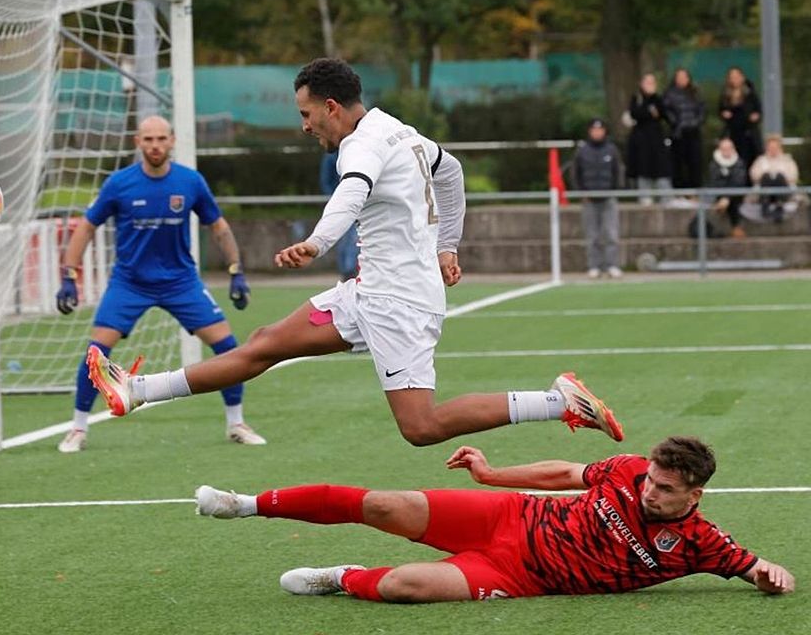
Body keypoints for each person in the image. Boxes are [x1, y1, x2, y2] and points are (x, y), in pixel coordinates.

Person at [85, 58, 623, 447]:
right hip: (374, 293)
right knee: (266, 342)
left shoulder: (360, 145)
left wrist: (317, 242)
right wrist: (447, 243)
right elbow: (452, 171)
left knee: (421, 428)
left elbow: (352, 192)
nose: (304, 125)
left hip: (399, 305)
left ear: (332, 107)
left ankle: (558, 402)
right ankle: (136, 389)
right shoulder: (397, 129)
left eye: (306, 113)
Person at [195, 436, 795, 602]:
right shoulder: (629, 469)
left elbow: (758, 569)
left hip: (518, 575)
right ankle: (242, 503)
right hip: (508, 515)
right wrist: (490, 473)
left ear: (693, 495)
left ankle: (341, 577)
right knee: (384, 504)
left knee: (406, 585)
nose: (648, 492)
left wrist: (771, 574)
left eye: (664, 490)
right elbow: (563, 475)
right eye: (648, 481)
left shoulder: (701, 543)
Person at [55, 115, 266, 453]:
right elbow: (86, 227)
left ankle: (236, 422)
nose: (155, 145)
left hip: (181, 282)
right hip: (130, 283)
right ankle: (77, 428)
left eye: (161, 139)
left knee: (229, 348)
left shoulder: (190, 182)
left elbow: (219, 227)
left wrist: (235, 270)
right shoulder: (119, 183)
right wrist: (69, 274)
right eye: (148, 139)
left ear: (172, 141)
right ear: (137, 141)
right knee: (96, 353)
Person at [572, 118, 623, 279]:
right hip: (589, 199)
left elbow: (618, 171)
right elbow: (575, 173)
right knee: (592, 235)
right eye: (594, 130)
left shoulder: (611, 149)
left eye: (600, 130)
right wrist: (581, 192)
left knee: (611, 234)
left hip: (608, 198)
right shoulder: (582, 151)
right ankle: (594, 266)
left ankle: (612, 265)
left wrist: (615, 190)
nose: (597, 133)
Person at [626, 73, 672, 206]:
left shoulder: (658, 98)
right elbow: (635, 113)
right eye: (647, 82)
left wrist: (652, 111)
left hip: (656, 138)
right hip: (641, 139)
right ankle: (645, 196)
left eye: (652, 82)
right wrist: (650, 112)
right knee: (643, 166)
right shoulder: (637, 98)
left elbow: (663, 114)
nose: (650, 85)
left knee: (661, 167)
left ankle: (665, 196)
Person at [663, 68, 705, 195]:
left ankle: (696, 190)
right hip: (678, 133)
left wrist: (697, 122)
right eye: (679, 77)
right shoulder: (669, 94)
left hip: (693, 131)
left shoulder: (696, 93)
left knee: (695, 162)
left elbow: (702, 110)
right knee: (678, 163)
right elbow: (666, 110)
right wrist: (675, 122)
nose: (682, 80)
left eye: (684, 77)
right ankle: (679, 191)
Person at [320, 151, 359, 280]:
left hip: (355, 203)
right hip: (341, 204)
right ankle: (347, 270)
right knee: (345, 238)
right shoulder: (332, 156)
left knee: (352, 238)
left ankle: (349, 269)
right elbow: (326, 181)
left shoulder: (355, 152)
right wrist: (337, 200)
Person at [719, 67, 763, 169]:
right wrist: (724, 114)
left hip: (749, 132)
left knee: (752, 159)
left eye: (737, 77)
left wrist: (755, 116)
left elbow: (758, 110)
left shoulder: (750, 92)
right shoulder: (725, 94)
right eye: (732, 77)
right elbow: (721, 110)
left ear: (742, 77)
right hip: (733, 132)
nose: (734, 79)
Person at [748, 134, 799, 223]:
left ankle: (779, 204)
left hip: (783, 190)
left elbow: (793, 176)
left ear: (779, 147)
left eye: (775, 147)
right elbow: (754, 175)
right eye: (771, 147)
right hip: (764, 190)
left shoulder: (787, 160)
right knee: (766, 176)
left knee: (779, 177)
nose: (773, 150)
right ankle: (765, 205)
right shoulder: (760, 160)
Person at [708, 137, 749, 238]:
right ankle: (736, 228)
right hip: (719, 195)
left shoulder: (739, 162)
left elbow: (739, 182)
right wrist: (725, 196)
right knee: (727, 200)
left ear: (733, 149)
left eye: (728, 148)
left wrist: (727, 197)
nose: (726, 151)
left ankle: (735, 227)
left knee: (733, 199)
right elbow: (715, 182)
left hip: (735, 195)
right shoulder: (714, 164)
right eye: (724, 149)